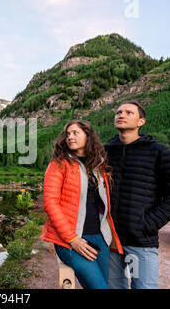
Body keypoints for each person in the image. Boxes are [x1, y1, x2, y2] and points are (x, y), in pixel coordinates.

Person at [105, 101, 170, 289]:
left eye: (128, 112)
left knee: (144, 287)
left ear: (141, 121)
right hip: (111, 242)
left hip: (139, 243)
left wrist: (148, 224)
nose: (121, 115)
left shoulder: (159, 152)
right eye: (118, 112)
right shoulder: (106, 152)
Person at [41, 120, 123, 289]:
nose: (70, 137)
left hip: (100, 237)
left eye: (75, 133)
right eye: (68, 134)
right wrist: (73, 239)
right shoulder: (58, 164)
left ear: (88, 136)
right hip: (70, 240)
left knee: (100, 284)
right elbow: (50, 204)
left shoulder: (98, 165)